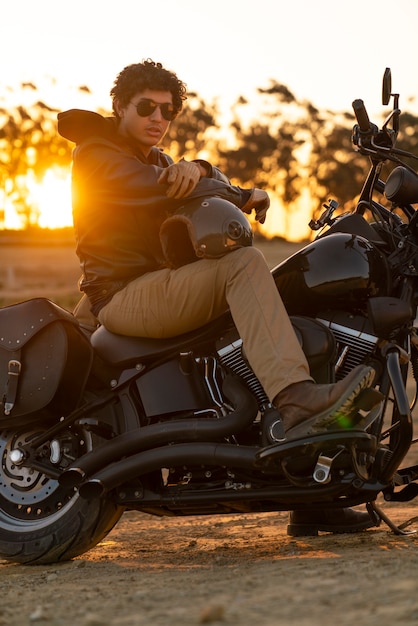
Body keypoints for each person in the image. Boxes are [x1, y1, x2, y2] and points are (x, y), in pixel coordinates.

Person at [58, 59, 378, 536]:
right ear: (120, 105)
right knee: (246, 267)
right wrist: (215, 177)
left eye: (167, 112)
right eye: (146, 107)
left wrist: (209, 171)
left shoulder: (158, 161)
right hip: (122, 294)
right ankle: (294, 399)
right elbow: (156, 190)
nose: (158, 119)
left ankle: (318, 490)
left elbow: (183, 181)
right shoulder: (97, 154)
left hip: (159, 286)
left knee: (287, 295)